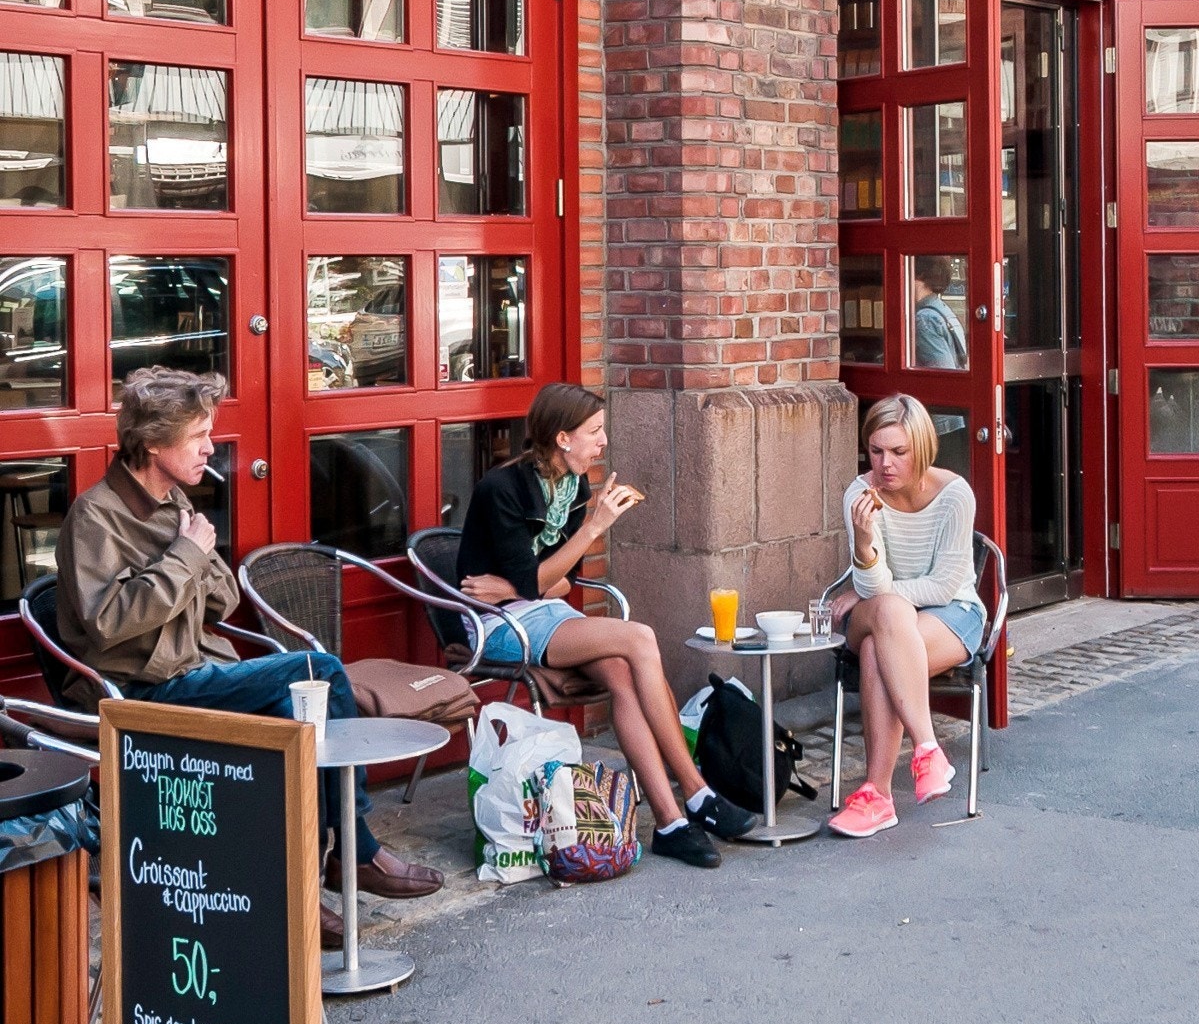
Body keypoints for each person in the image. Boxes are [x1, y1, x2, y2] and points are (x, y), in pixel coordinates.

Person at [53, 368, 443, 945]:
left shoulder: (172, 500)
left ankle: (305, 885)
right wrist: (186, 554)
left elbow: (225, 599)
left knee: (301, 721)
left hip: (200, 671)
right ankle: (353, 850)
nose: (211, 447)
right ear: (154, 443)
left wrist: (194, 554)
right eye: (198, 436)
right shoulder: (96, 517)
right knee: (319, 671)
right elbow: (110, 623)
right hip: (142, 692)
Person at [456, 382, 756, 867]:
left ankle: (671, 822)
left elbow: (559, 585)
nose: (604, 441)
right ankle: (698, 793)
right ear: (562, 438)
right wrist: (590, 530)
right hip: (497, 624)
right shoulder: (502, 489)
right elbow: (536, 582)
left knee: (620, 671)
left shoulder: (573, 485)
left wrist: (517, 584)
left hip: (539, 610)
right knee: (639, 638)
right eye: (594, 431)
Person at [828, 392, 986, 839]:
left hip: (952, 614)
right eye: (876, 451)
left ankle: (877, 794)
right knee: (889, 618)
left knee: (882, 647)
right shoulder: (861, 494)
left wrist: (872, 599)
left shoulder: (955, 495)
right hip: (884, 611)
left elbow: (941, 586)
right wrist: (863, 543)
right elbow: (873, 588)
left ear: (922, 447)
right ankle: (927, 748)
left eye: (899, 452)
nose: (885, 464)